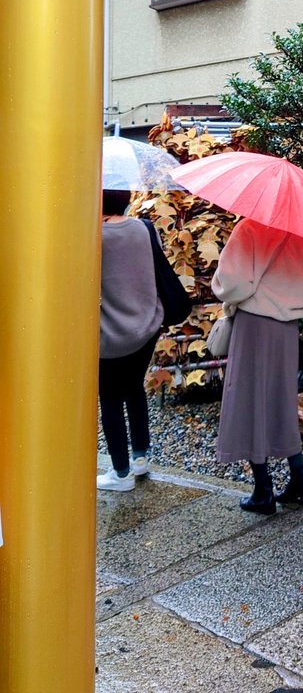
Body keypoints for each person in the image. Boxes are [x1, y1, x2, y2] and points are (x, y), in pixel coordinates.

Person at [213, 217, 303, 514]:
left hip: (255, 321)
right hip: (287, 326)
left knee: (250, 399)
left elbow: (230, 282)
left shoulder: (251, 227)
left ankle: (263, 489)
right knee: (281, 399)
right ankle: (300, 477)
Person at [97, 188, 165, 492]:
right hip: (147, 328)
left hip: (112, 336)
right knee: (134, 388)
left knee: (110, 398)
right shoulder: (143, 227)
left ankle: (120, 473)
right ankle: (140, 459)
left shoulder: (95, 238)